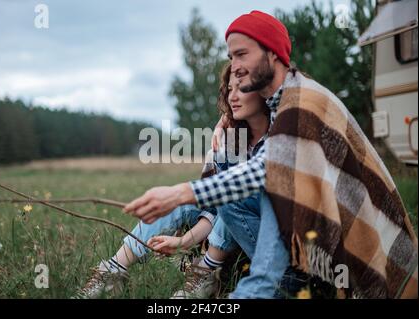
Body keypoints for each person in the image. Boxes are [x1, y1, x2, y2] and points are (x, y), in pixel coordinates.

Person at [125, 11, 418, 299]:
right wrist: (226, 121)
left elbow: (267, 169)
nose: (236, 67)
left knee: (262, 191)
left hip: (378, 263)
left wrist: (181, 192)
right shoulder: (281, 101)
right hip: (327, 250)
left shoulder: (304, 101)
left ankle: (251, 280)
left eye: (242, 55)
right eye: (231, 58)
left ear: (273, 54)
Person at [74, 63, 276, 299]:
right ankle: (113, 272)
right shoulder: (228, 141)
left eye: (241, 89)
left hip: (260, 237)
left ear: (263, 91)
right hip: (223, 233)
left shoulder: (283, 135)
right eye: (229, 89)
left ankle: (206, 272)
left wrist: (184, 241)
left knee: (232, 191)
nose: (232, 97)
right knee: (178, 201)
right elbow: (213, 210)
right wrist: (182, 241)